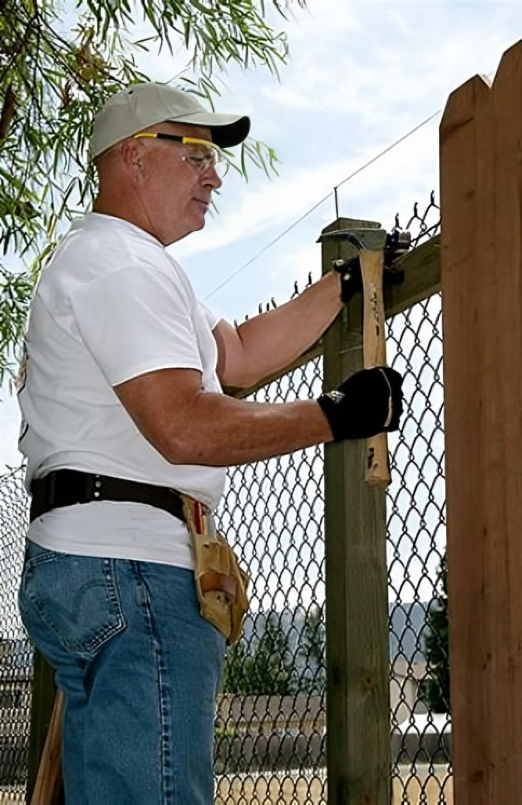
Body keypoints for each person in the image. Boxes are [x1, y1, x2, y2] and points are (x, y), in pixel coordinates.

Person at [16, 82, 403, 805]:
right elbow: (186, 424)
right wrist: (337, 414)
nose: (214, 174)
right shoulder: (118, 266)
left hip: (100, 566)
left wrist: (345, 286)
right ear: (134, 156)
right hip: (132, 572)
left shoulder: (133, 268)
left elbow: (239, 358)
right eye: (195, 152)